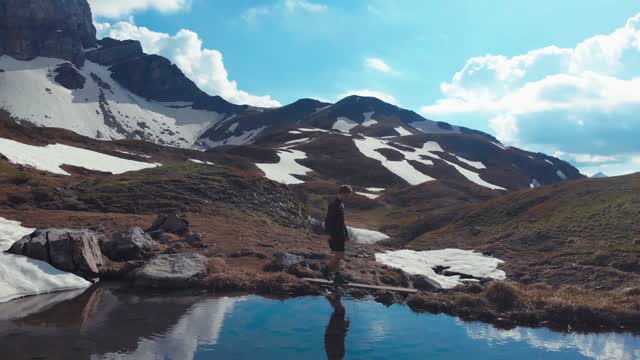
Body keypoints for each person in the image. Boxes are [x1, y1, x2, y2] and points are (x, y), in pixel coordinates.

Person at [324, 185, 352, 284]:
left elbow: (342, 222)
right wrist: (328, 233)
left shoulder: (341, 204)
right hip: (335, 234)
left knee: (338, 255)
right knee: (340, 255)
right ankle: (326, 269)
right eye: (347, 195)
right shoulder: (334, 204)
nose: (347, 197)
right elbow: (328, 220)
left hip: (340, 234)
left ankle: (337, 276)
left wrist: (346, 234)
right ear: (342, 193)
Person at [324, 292, 349, 360]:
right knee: (339, 312)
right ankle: (332, 298)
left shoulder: (339, 356)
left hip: (334, 335)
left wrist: (345, 328)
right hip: (332, 335)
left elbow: (340, 345)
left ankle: (332, 298)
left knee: (340, 312)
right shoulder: (338, 356)